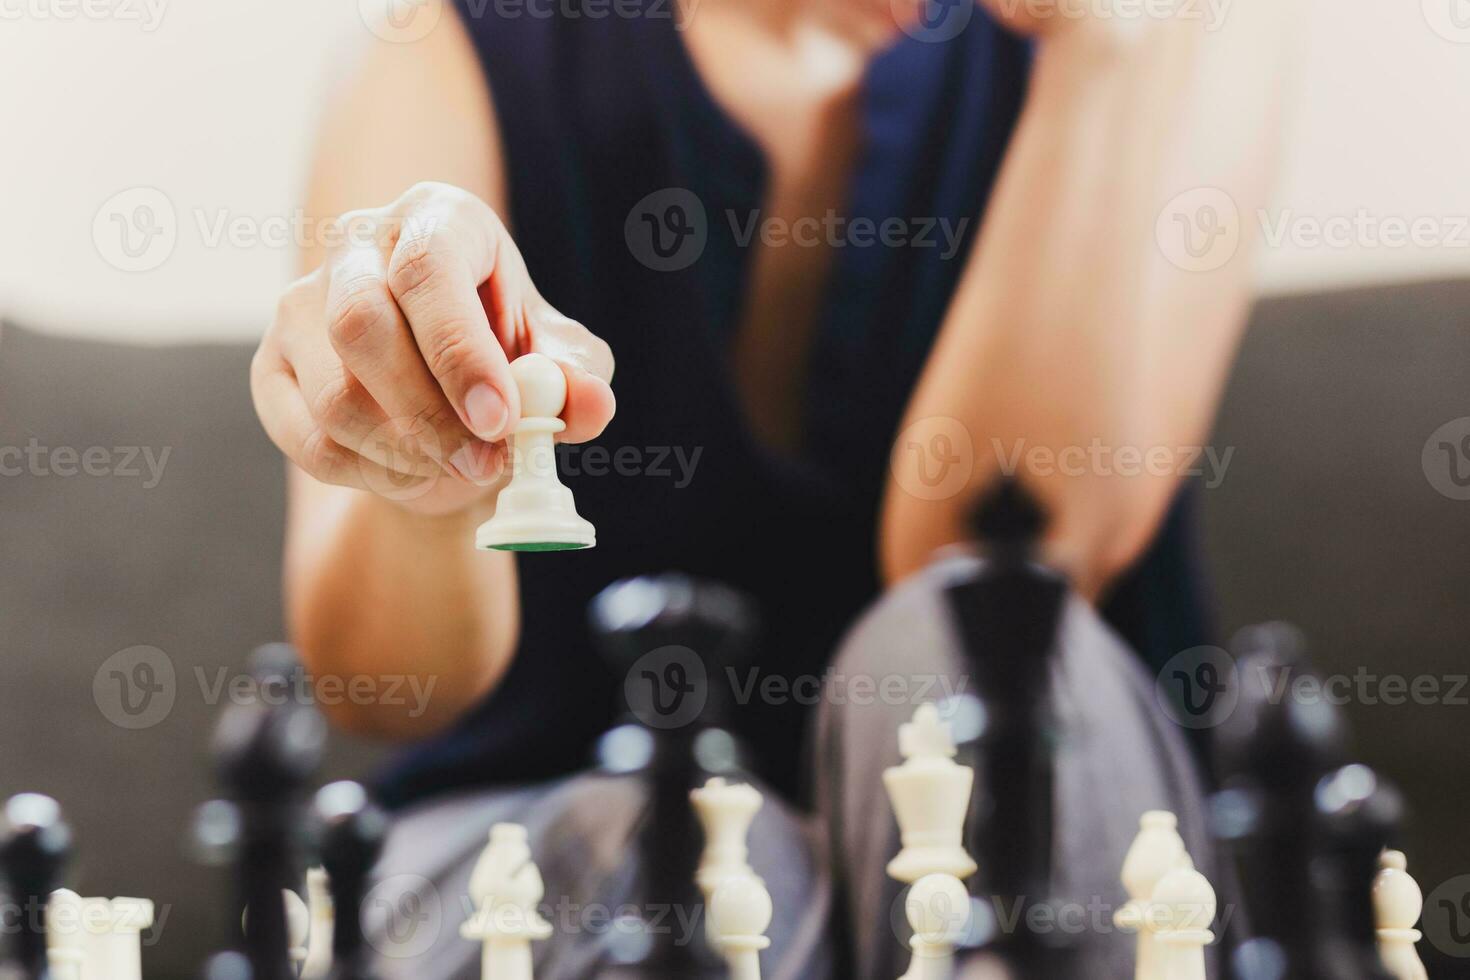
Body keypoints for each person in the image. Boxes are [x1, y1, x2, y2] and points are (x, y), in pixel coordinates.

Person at [250, 0, 1293, 970]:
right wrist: (439, 473)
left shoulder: (1193, 33)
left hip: (1052, 838)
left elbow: (990, 573)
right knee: (699, 863)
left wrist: (1102, 67)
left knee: (965, 664)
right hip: (543, 851)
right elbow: (377, 681)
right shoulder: (448, 43)